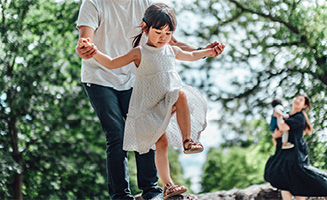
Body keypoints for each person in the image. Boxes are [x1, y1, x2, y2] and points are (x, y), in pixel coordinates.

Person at [76, 1, 222, 199]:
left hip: (133, 79)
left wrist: (205, 50)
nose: (163, 37)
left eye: (167, 34)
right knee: (117, 135)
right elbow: (86, 40)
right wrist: (86, 48)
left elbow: (176, 44)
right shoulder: (94, 3)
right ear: (145, 28)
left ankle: (152, 190)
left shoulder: (145, 4)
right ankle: (120, 195)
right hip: (100, 77)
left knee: (148, 133)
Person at [264, 94, 327, 200]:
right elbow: (277, 136)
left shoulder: (299, 117)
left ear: (304, 105)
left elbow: (283, 126)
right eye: (297, 98)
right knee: (283, 182)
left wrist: (278, 115)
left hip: (295, 153)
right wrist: (274, 136)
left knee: (300, 180)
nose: (297, 100)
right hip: (283, 153)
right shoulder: (286, 115)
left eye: (301, 100)